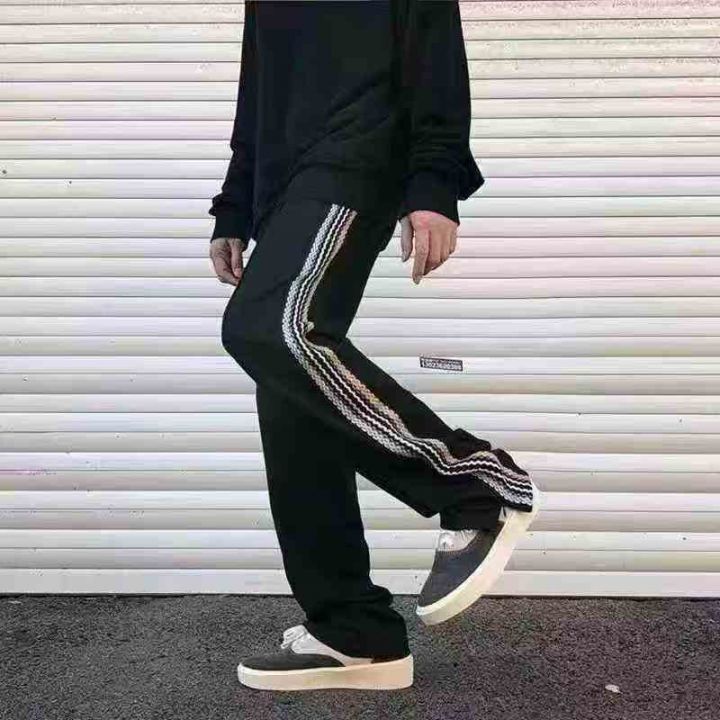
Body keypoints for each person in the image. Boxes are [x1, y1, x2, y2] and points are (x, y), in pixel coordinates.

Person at [208, 0, 539, 692]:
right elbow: (258, 88)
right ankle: (352, 631)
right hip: (284, 184)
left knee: (270, 328)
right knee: (290, 394)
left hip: (357, 157)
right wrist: (235, 204)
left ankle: (476, 485)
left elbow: (436, 56)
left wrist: (434, 184)